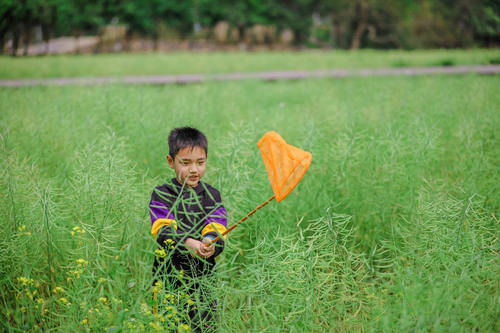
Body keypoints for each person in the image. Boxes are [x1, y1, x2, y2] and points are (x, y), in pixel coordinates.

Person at [148, 127, 227, 332]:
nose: (194, 169)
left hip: (203, 278)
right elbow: (162, 229)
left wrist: (210, 242)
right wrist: (189, 242)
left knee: (204, 324)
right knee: (169, 325)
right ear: (170, 161)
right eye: (186, 163)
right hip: (169, 277)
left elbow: (217, 227)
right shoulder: (161, 195)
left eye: (200, 163)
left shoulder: (212, 195)